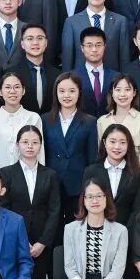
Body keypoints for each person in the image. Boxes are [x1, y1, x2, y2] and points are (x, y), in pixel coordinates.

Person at [0, 126, 62, 279]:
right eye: (25, 142)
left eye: (35, 142)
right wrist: (21, 243)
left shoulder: (50, 175)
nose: (30, 146)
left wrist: (43, 242)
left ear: (40, 146)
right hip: (14, 245)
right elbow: (3, 209)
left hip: (41, 246)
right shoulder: (6, 173)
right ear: (18, 145)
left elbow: (55, 210)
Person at [42, 72, 98, 222]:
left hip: (78, 185)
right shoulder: (45, 120)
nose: (66, 95)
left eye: (72, 91)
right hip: (51, 182)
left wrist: (89, 186)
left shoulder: (90, 122)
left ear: (79, 93)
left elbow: (92, 159)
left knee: (76, 227)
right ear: (56, 93)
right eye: (62, 91)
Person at [61, 0, 131, 71]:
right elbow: (68, 58)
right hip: (80, 77)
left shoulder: (120, 21)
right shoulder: (71, 22)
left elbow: (124, 57)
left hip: (112, 77)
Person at [82, 124, 140, 226]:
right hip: (98, 228)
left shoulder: (136, 173)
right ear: (104, 143)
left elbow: (138, 208)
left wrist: (126, 231)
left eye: (122, 142)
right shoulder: (91, 171)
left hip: (128, 228)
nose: (117, 147)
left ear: (128, 145)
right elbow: (85, 203)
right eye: (112, 142)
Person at [0, 71, 44, 170]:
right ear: (0, 91)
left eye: (17, 87)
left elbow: (40, 152)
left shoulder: (33, 118)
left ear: (23, 90)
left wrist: (41, 174)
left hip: (25, 173)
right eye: (7, 87)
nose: (12, 91)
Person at [97, 74, 140, 169]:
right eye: (118, 90)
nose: (122, 94)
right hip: (107, 175)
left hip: (135, 174)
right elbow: (100, 154)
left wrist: (131, 176)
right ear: (112, 93)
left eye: (127, 89)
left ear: (134, 93)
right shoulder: (102, 121)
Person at [12, 24, 60, 115]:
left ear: (46, 43)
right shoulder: (11, 73)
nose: (35, 42)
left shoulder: (57, 74)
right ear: (22, 44)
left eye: (40, 38)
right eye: (30, 39)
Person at [74, 26, 119, 119]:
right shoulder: (73, 77)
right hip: (82, 125)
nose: (94, 49)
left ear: (104, 47)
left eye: (98, 45)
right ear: (82, 48)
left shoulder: (117, 77)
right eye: (89, 45)